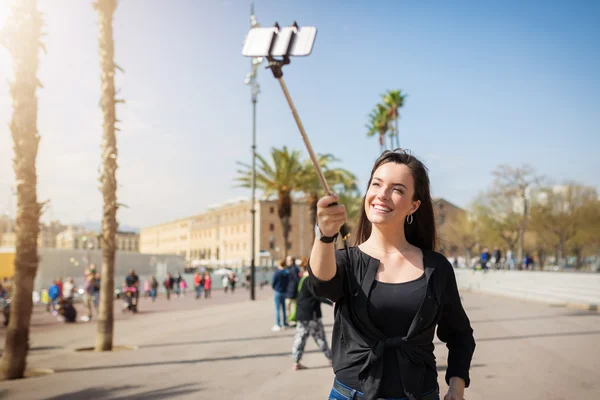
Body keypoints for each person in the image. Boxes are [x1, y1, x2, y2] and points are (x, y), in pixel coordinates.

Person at [308, 150, 476, 400]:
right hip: (351, 395)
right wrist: (324, 236)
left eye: (397, 189)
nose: (382, 195)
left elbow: (460, 334)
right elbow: (321, 284)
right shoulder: (346, 261)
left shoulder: (436, 267)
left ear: (414, 205)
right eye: (376, 184)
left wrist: (457, 386)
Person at [291, 256, 332, 371]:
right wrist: (333, 302)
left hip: (302, 313)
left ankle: (296, 362)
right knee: (320, 337)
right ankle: (332, 358)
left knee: (300, 337)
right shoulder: (310, 280)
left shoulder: (302, 279)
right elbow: (318, 295)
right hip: (311, 314)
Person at [271, 259, 290, 332]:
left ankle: (278, 324)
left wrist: (275, 287)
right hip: (285, 291)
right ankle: (284, 323)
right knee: (284, 309)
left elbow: (273, 282)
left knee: (277, 309)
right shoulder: (286, 272)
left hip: (278, 291)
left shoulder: (277, 272)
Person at [284, 255, 300, 325]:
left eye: (289, 260)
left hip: (291, 291)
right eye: (286, 260)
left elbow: (296, 280)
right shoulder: (290, 268)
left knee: (291, 307)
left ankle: (291, 320)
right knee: (290, 307)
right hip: (289, 290)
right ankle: (291, 320)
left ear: (292, 261)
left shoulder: (293, 269)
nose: (287, 262)